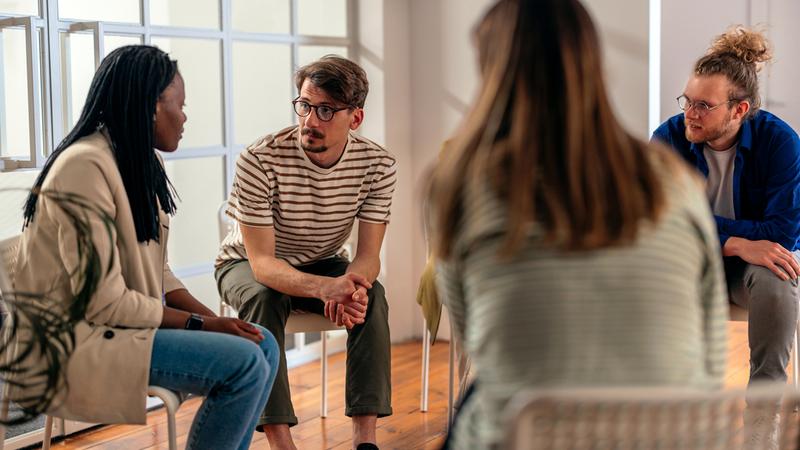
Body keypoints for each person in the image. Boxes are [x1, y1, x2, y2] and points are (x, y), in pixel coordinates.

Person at [427, 1, 728, 449]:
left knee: (475, 401)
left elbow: (476, 341)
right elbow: (712, 355)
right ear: (594, 64)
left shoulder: (461, 188)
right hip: (672, 436)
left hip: (527, 436)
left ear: (492, 72)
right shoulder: (675, 181)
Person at [10, 45, 279, 450]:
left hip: (120, 329)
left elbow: (159, 271)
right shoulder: (83, 167)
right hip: (75, 341)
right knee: (242, 364)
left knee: (261, 342)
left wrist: (220, 323)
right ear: (152, 106)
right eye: (180, 105)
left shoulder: (140, 161)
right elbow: (104, 302)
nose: (185, 117)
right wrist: (205, 326)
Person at [215, 55, 395, 450]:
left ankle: (366, 441)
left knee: (373, 296)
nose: (310, 121)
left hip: (323, 261)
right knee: (266, 298)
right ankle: (283, 444)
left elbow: (369, 255)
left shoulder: (378, 165)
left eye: (326, 110)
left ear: (356, 118)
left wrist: (354, 285)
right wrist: (324, 289)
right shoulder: (259, 158)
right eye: (305, 105)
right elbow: (262, 265)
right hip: (245, 263)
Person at [652, 26, 800, 449]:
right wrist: (732, 242)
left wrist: (707, 229)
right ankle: (670, 416)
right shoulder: (667, 140)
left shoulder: (781, 143)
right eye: (686, 101)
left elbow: (783, 233)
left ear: (739, 110)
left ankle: (762, 423)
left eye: (703, 105)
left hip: (754, 270)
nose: (690, 114)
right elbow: (658, 223)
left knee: (779, 279)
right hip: (689, 265)